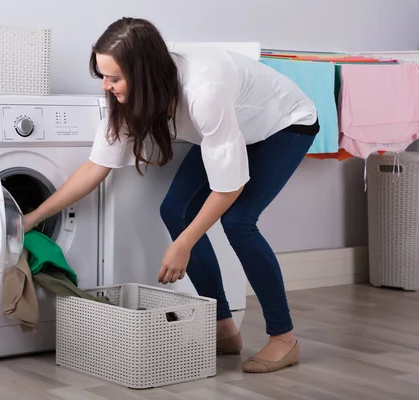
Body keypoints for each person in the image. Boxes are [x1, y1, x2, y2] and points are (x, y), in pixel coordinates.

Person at [22, 17, 319, 373]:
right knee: (175, 209)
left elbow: (230, 187)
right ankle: (224, 328)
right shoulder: (136, 96)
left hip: (282, 123)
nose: (105, 86)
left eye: (113, 78)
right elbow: (95, 168)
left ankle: (284, 339)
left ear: (142, 74)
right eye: (102, 76)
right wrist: (34, 216)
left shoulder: (203, 91)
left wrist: (184, 245)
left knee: (239, 221)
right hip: (232, 128)